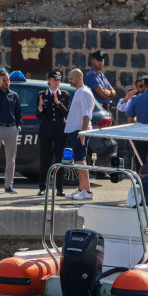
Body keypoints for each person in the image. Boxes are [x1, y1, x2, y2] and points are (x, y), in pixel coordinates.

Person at [0, 68, 22, 194]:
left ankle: (8, 185)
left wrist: (18, 125)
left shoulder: (14, 95)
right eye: (4, 80)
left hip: (11, 128)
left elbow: (18, 112)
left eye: (8, 80)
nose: (7, 82)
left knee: (11, 159)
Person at [37, 70, 70, 197]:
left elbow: (66, 112)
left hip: (60, 130)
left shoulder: (65, 94)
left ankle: (59, 189)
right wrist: (40, 108)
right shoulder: (42, 94)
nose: (57, 82)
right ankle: (42, 187)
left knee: (60, 159)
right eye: (54, 80)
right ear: (49, 81)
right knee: (44, 158)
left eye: (59, 80)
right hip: (46, 129)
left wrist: (58, 103)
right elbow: (39, 116)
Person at [64, 68, 95, 201]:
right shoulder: (79, 92)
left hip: (79, 131)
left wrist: (82, 132)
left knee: (81, 160)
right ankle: (81, 188)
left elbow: (87, 114)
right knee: (77, 160)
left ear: (80, 78)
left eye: (71, 77)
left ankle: (87, 191)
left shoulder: (85, 93)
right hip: (74, 130)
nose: (69, 80)